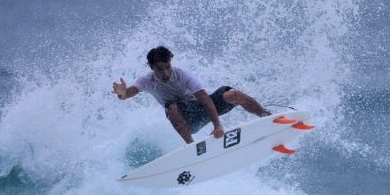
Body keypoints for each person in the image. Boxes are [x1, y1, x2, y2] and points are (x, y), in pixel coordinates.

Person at [112, 46, 271, 144]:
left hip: (202, 109)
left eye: (168, 67)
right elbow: (128, 93)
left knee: (233, 94)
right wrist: (122, 94)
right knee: (171, 107)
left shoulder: (182, 74)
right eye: (160, 69)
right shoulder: (147, 80)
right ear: (151, 67)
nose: (165, 73)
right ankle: (191, 146)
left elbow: (205, 98)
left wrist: (217, 125)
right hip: (186, 121)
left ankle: (267, 116)